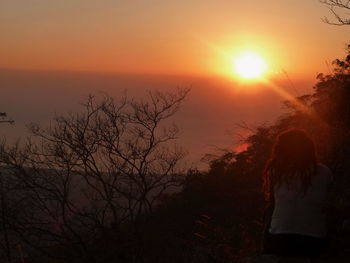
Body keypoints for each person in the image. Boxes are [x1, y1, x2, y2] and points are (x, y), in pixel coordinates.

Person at [261, 128, 332, 257]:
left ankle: (266, 250)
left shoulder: (276, 171)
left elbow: (272, 202)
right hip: (314, 240)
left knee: (270, 209)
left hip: (280, 239)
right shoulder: (325, 172)